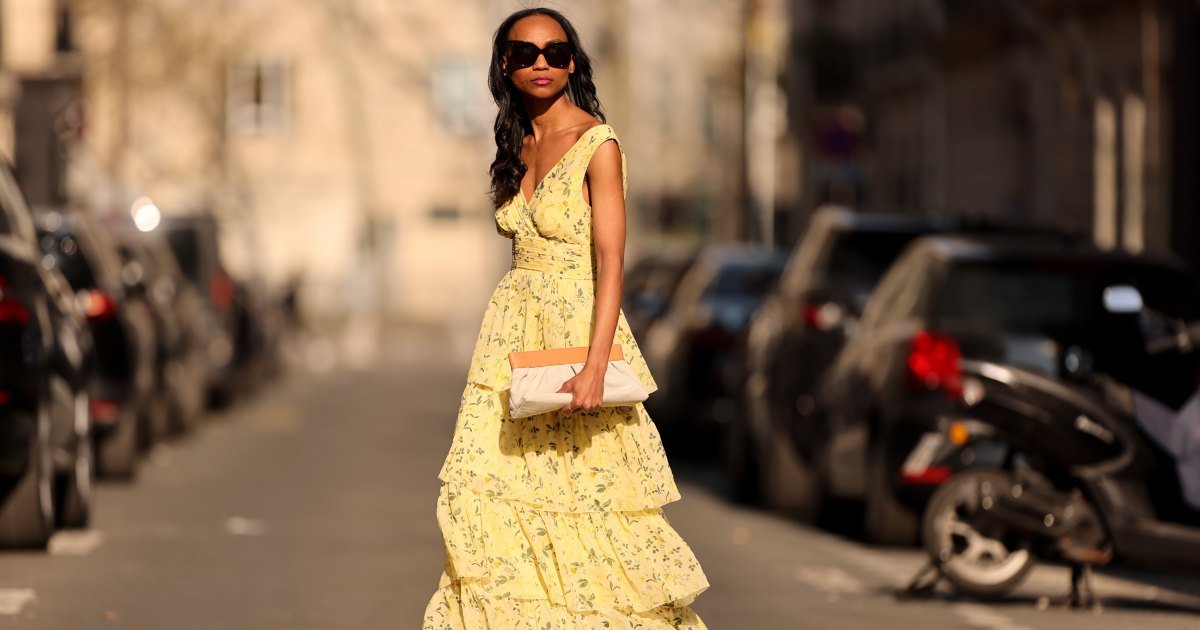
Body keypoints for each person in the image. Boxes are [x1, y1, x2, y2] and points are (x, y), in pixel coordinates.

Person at [422, 8, 710, 629]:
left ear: (573, 61)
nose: (542, 63)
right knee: (488, 499)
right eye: (526, 53)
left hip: (578, 335)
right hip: (510, 342)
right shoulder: (514, 143)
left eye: (556, 51)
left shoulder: (597, 145)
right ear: (506, 65)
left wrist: (596, 366)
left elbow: (612, 262)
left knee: (590, 511)